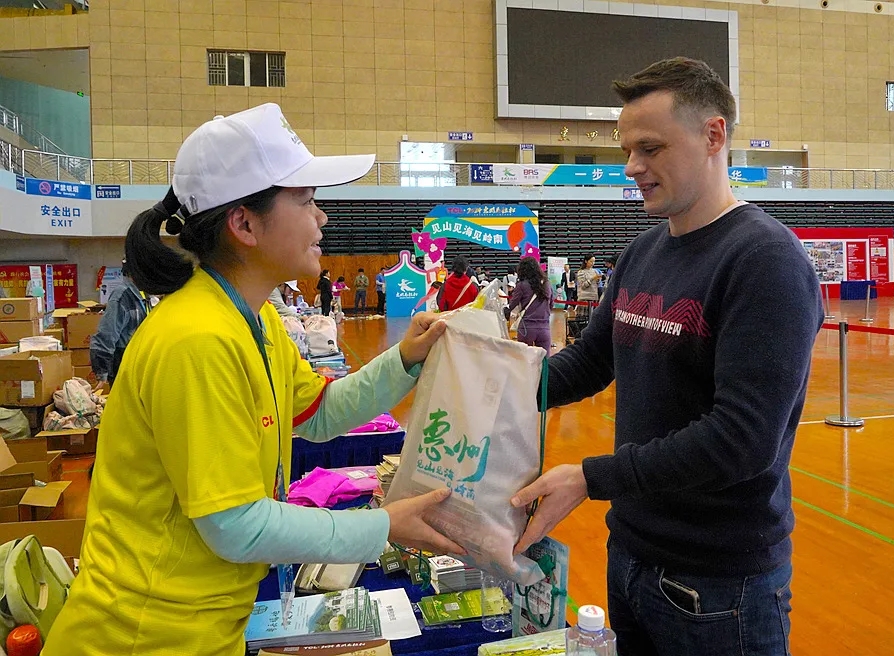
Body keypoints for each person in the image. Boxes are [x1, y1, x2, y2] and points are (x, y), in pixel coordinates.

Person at [43, 103, 463, 656]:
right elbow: (236, 525)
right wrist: (380, 526)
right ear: (244, 224)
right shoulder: (197, 339)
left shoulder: (253, 319)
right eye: (306, 200)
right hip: (142, 635)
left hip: (201, 627)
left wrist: (404, 358)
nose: (322, 218)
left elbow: (319, 413)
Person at [510, 58, 823, 656]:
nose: (632, 166)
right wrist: (484, 380)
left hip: (719, 586)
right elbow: (589, 362)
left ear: (713, 135)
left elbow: (741, 440)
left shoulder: (765, 261)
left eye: (650, 148)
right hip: (630, 553)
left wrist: (592, 477)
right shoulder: (642, 252)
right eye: (627, 150)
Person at [89, 259, 151, 390]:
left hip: (141, 366)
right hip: (124, 367)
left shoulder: (144, 295)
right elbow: (107, 334)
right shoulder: (122, 296)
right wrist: (102, 371)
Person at [504, 256, 552, 354]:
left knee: (524, 358)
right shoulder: (546, 283)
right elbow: (551, 304)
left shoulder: (521, 285)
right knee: (544, 360)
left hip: (526, 327)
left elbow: (512, 304)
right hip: (544, 327)